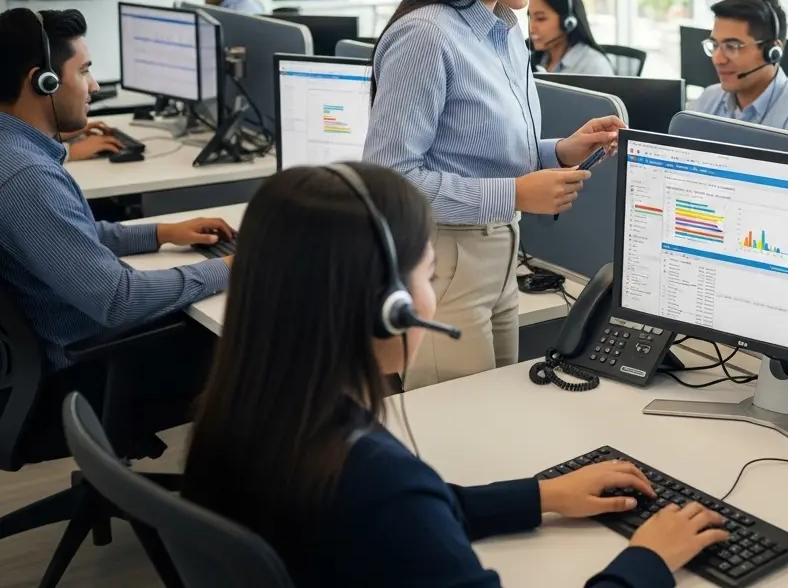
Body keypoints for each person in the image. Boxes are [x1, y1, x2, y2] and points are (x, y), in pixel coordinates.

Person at [182, 163, 729, 588]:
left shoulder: (247, 410)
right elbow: (399, 507)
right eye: (430, 273)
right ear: (388, 308)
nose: (432, 291)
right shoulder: (376, 479)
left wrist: (541, 495)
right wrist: (646, 561)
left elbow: (409, 515)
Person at [364, 0, 624, 387]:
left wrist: (557, 151)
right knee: (457, 439)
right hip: (444, 264)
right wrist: (514, 194)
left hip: (501, 259)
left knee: (497, 416)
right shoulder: (427, 36)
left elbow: (477, 150)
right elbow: (390, 183)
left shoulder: (504, 25)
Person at [0, 8, 234, 455]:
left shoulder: (11, 152)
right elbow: (117, 299)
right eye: (84, 71)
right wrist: (232, 266)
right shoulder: (26, 176)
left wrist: (162, 231)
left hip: (46, 363)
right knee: (265, 346)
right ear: (42, 81)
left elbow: (67, 236)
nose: (95, 87)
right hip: (79, 375)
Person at [686, 0, 788, 136]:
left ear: (772, 51)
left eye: (732, 47)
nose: (717, 59)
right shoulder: (708, 100)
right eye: (714, 45)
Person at [530, 0, 615, 75]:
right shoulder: (535, 61)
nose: (531, 28)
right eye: (530, 18)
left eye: (540, 19)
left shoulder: (594, 67)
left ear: (568, 22)